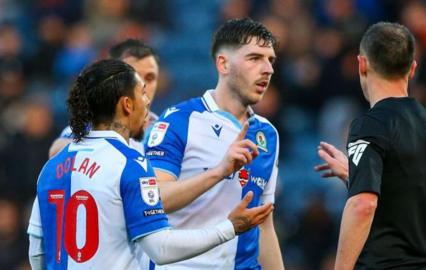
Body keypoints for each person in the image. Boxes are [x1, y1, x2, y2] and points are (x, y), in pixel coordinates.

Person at [27, 59, 273, 270]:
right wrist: (229, 228)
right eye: (142, 92)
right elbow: (161, 248)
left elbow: (38, 251)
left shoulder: (51, 168)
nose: (148, 103)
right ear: (126, 104)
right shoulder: (130, 163)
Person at [143, 18, 284, 269]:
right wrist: (220, 172)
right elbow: (154, 201)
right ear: (223, 64)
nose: (268, 69)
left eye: (270, 60)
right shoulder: (181, 121)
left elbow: (264, 225)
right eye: (255, 58)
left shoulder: (267, 134)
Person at [315, 22, 426, 269]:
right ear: (412, 69)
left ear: (362, 64)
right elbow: (407, 195)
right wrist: (356, 176)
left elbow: (363, 205)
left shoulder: (370, 125)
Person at [49, 38, 164, 157]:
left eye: (150, 78)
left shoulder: (168, 130)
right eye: (133, 78)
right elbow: (56, 151)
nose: (143, 85)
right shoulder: (93, 126)